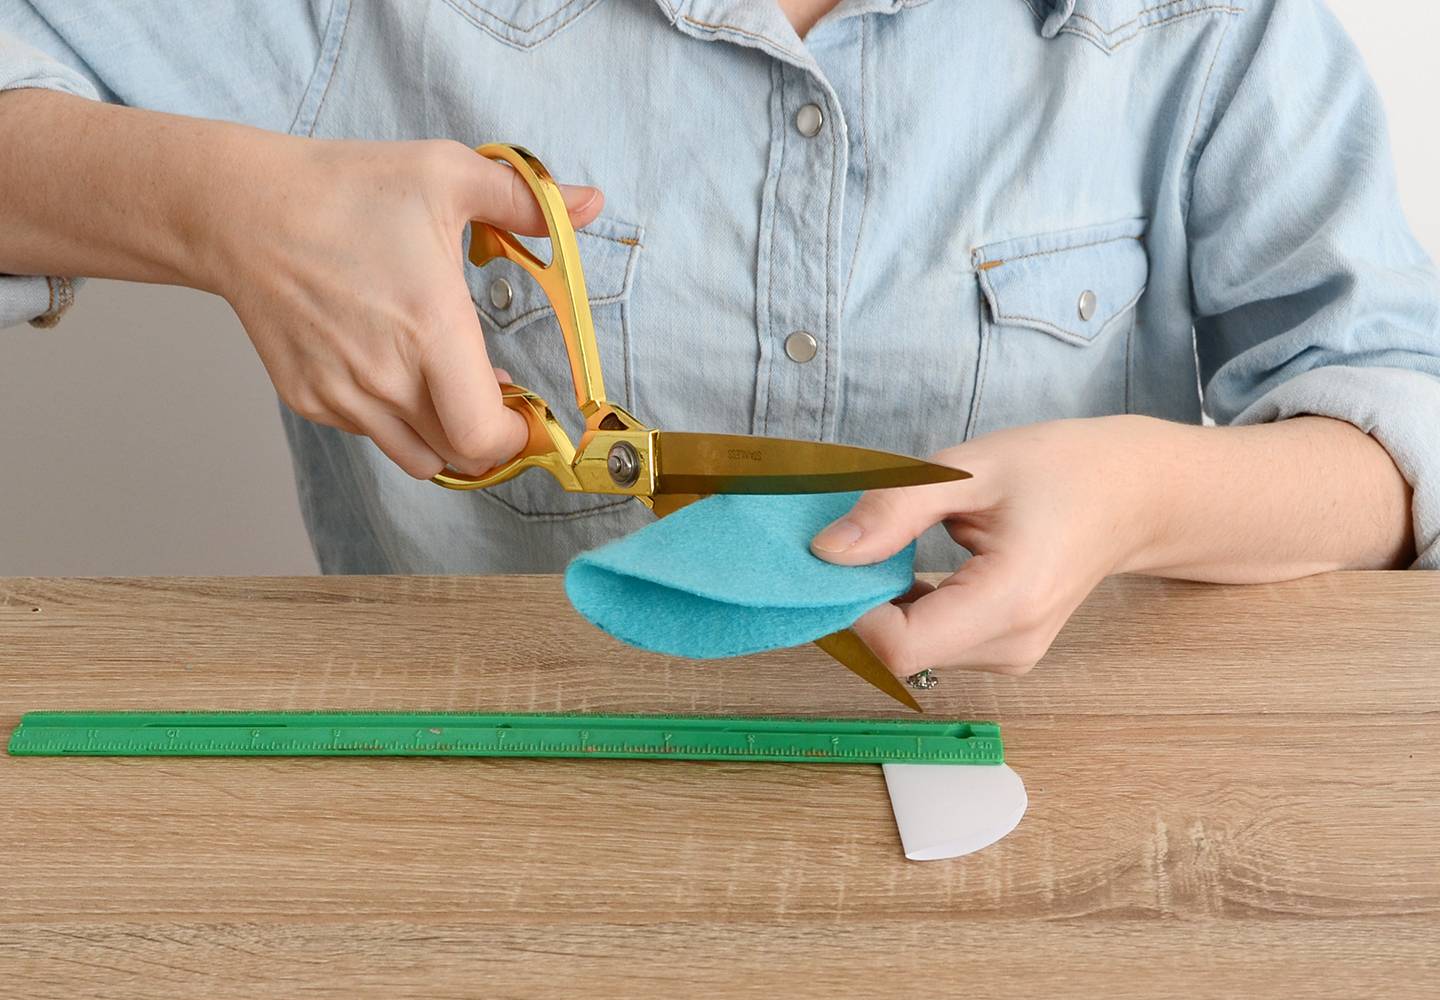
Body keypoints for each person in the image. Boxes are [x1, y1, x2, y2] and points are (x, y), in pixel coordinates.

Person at [0, 0, 1435, 681]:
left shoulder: (1202, 28)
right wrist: (226, 209)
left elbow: (1397, 426)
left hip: (1055, 843)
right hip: (480, 848)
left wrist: (1144, 494)